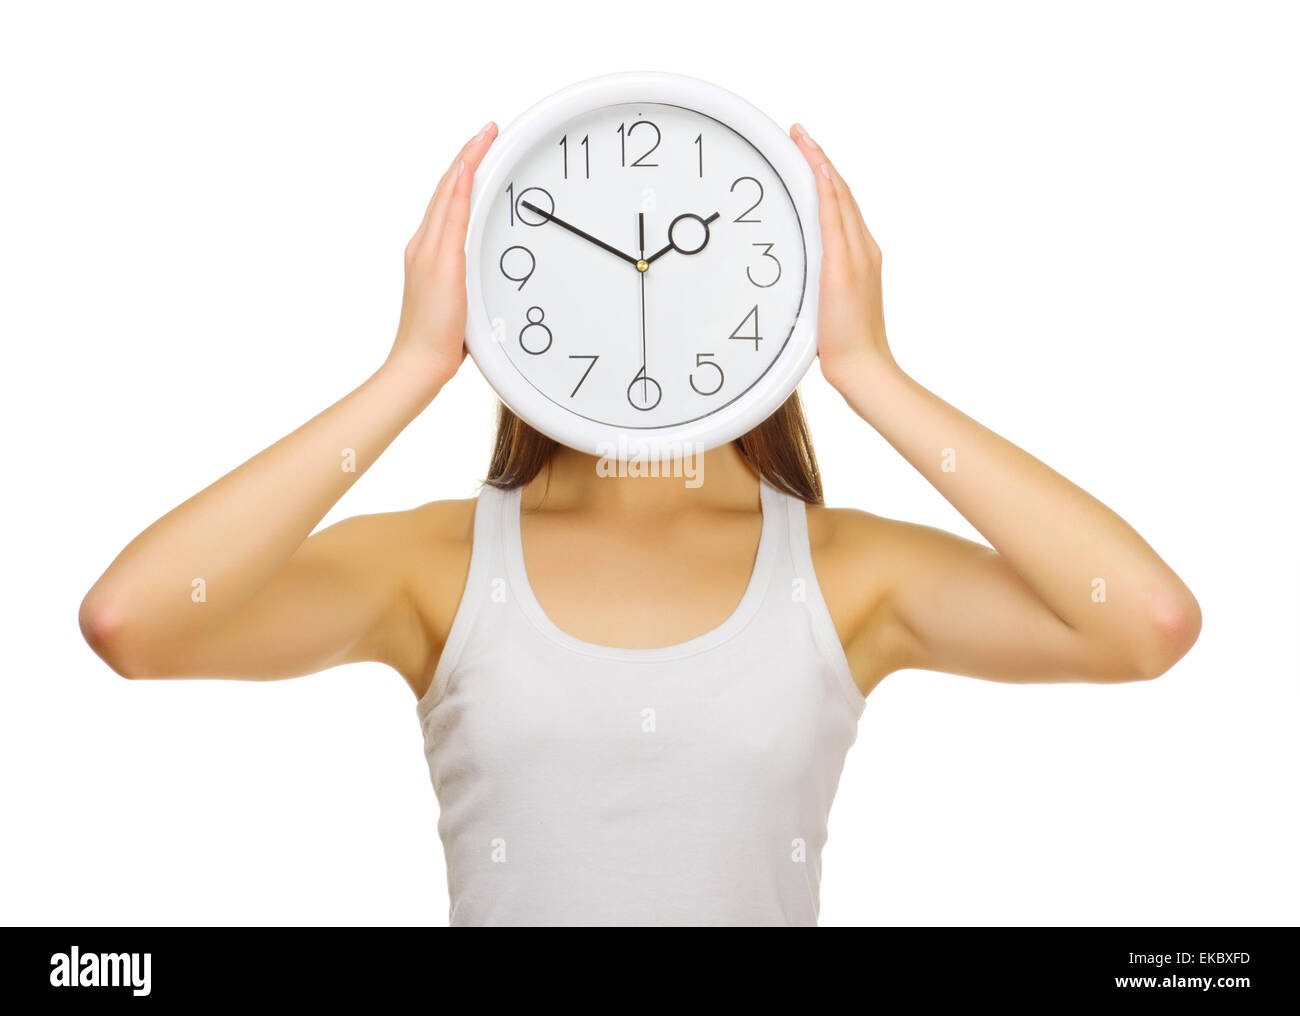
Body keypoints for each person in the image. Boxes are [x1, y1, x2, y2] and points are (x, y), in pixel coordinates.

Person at [78, 119, 1202, 926]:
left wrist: (871, 370)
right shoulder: (439, 563)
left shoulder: (838, 569)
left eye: (678, 260)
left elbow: (1142, 620)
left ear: (767, 295)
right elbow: (136, 619)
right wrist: (411, 367)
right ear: (513, 298)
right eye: (591, 265)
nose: (636, 295)